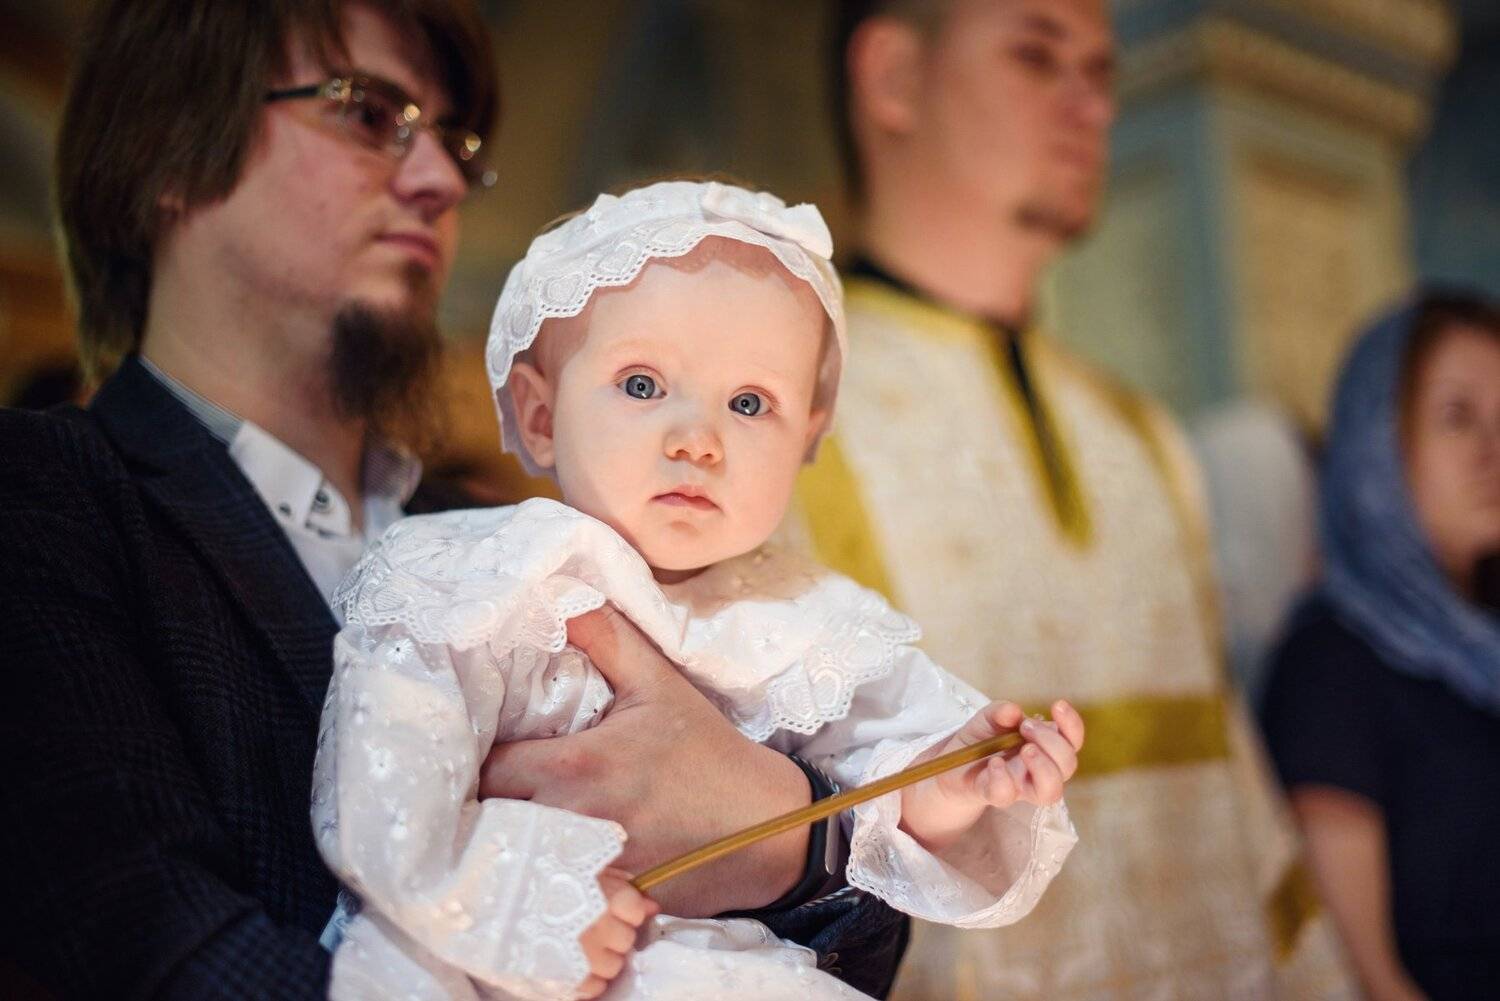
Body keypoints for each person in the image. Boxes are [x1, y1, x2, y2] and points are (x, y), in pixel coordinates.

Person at [0, 4, 904, 997]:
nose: (440, 180)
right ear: (169, 148)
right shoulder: (47, 499)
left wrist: (785, 834)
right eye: (367, 112)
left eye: (455, 141)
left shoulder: (523, 534)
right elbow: (157, 951)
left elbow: (870, 937)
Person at [315, 179, 1085, 1000]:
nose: (698, 440)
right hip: (496, 958)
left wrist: (950, 781)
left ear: (807, 438)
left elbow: (876, 800)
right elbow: (386, 790)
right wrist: (534, 900)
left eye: (749, 403)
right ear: (540, 416)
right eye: (642, 385)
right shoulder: (474, 574)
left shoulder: (806, 618)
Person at [785, 0, 1354, 995]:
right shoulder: (781, 418)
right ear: (894, 79)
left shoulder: (1144, 436)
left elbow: (1236, 794)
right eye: (1038, 57)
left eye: (1100, 71)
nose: (1092, 107)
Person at [1261, 291, 1500, 1001]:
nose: (1493, 451)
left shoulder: (1486, 641)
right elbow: (1364, 975)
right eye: (1457, 416)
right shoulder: (1330, 664)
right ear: (1377, 445)